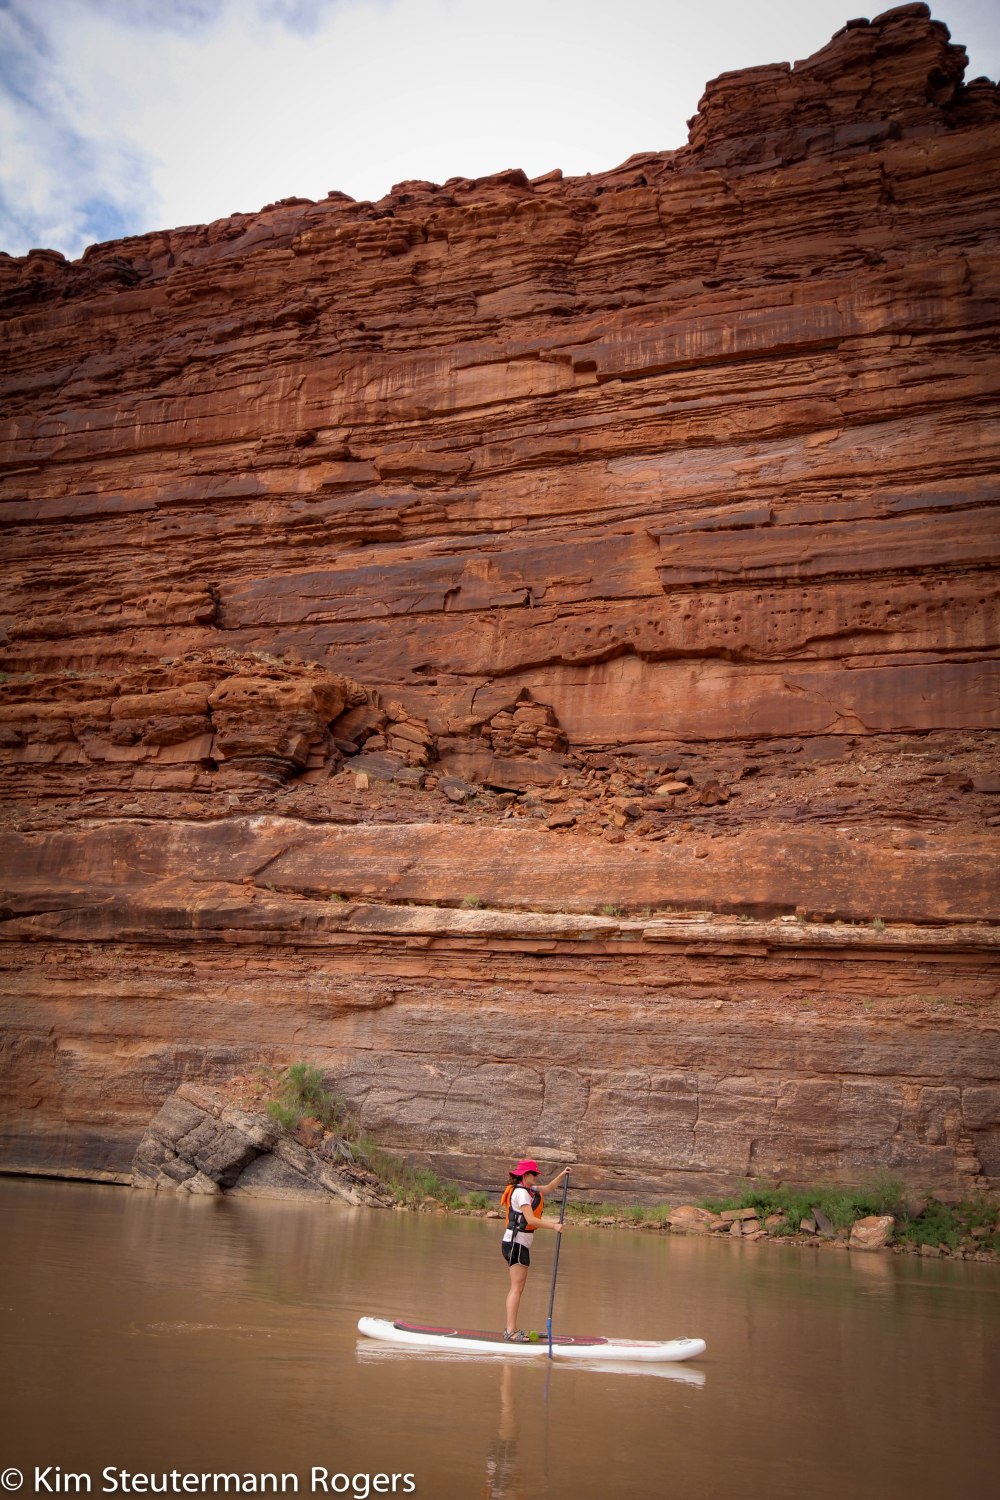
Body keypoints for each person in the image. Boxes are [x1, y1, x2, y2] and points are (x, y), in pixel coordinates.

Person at [500, 1157, 571, 1342]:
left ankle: (512, 1328)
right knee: (517, 1287)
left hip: (520, 1243)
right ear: (525, 1175)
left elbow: (548, 1189)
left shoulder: (528, 1189)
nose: (536, 1177)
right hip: (515, 1243)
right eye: (534, 1174)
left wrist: (562, 1175)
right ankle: (510, 1331)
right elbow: (530, 1220)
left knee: (518, 1287)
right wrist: (553, 1226)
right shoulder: (521, 1194)